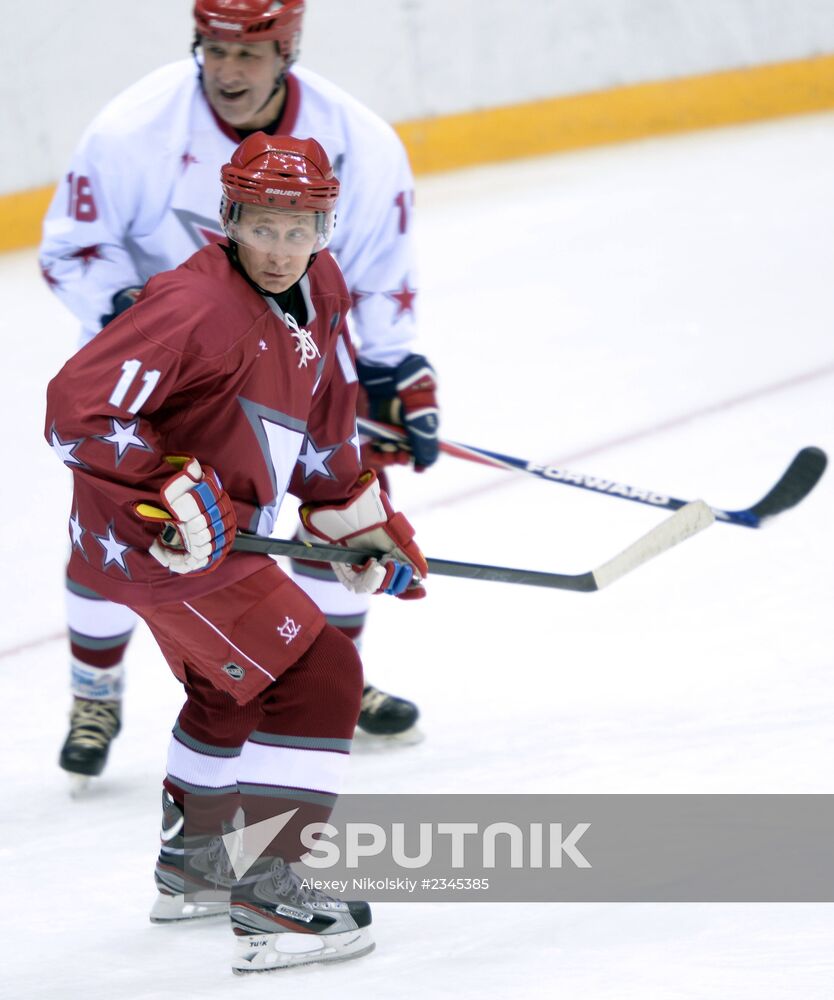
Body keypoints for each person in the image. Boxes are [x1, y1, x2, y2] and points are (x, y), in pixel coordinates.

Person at [45, 131, 428, 971]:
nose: (281, 249)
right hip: (159, 542)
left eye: (300, 229)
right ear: (228, 219)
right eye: (262, 227)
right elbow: (77, 412)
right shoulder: (192, 306)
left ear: (326, 229)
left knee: (229, 692)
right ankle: (278, 898)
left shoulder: (322, 287)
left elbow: (323, 420)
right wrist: (169, 488)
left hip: (211, 539)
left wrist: (354, 518)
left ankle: (198, 869)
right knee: (321, 673)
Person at [39, 0, 440, 784]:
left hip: (287, 348)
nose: (228, 71)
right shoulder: (131, 130)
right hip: (158, 366)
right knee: (122, 512)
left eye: (249, 55)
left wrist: (394, 369)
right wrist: (138, 315)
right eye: (215, 52)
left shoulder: (357, 140)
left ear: (288, 51)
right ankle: (95, 692)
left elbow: (377, 262)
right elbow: (71, 248)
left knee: (337, 488)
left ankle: (319, 666)